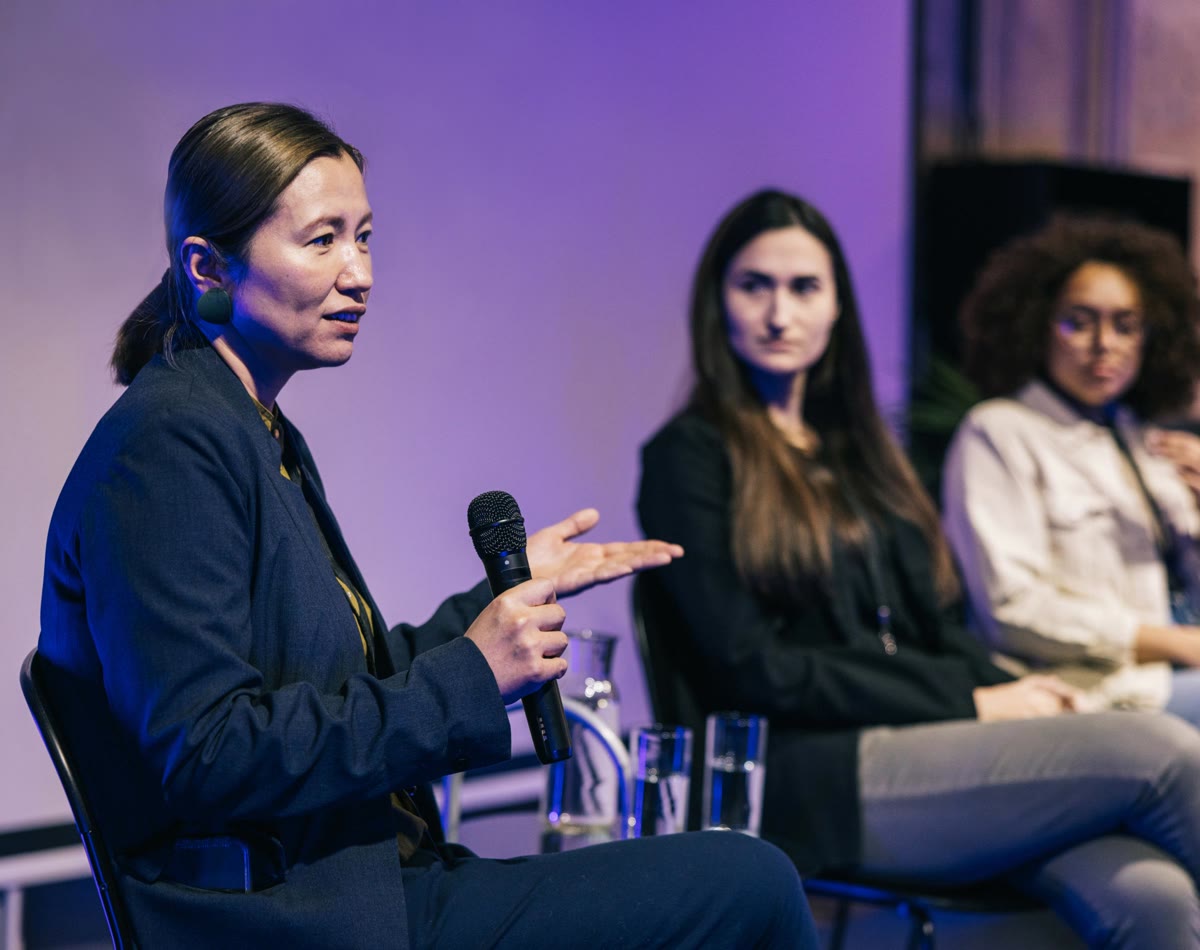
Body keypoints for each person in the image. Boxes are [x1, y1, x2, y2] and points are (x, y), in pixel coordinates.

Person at [38, 104, 815, 949]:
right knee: (750, 882)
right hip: (300, 919)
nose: (360, 273)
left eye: (364, 237)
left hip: (374, 882)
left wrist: (499, 604)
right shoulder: (166, 448)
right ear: (208, 266)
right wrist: (474, 674)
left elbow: (334, 682)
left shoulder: (250, 429)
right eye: (322, 240)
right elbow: (211, 753)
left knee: (734, 875)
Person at [637, 188, 1200, 947]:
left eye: (804, 288)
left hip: (928, 744)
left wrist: (1022, 693)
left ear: (837, 306)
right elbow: (751, 666)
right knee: (1164, 750)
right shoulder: (688, 457)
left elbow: (933, 629)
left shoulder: (862, 454)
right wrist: (970, 698)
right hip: (808, 778)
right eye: (754, 286)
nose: (779, 314)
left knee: (1153, 897)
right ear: (718, 303)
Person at [942, 215, 1200, 721]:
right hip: (1093, 691)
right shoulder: (999, 431)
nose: (1105, 344)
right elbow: (1011, 608)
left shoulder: (1145, 441)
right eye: (1077, 323)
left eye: (1126, 325)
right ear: (1035, 327)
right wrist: (1170, 642)